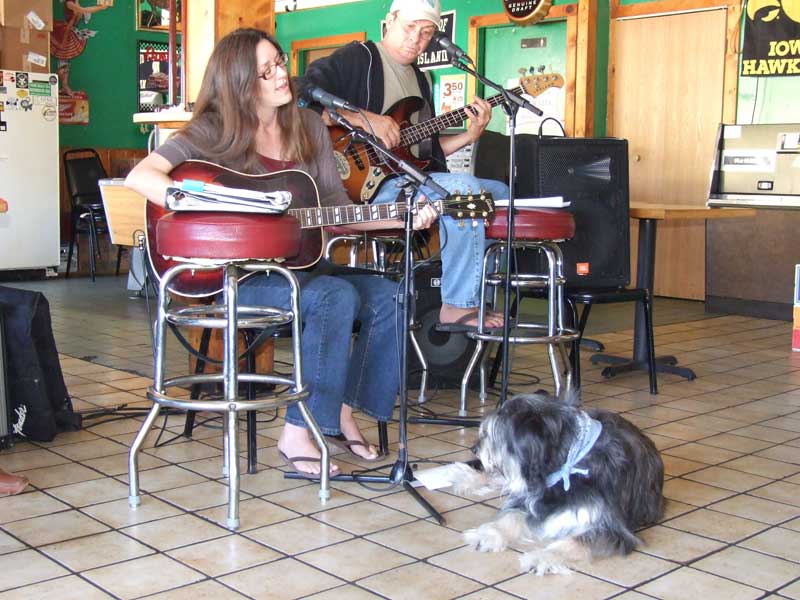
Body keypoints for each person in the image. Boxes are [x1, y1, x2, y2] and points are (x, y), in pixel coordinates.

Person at [125, 28, 437, 476]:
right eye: (264, 70)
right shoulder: (214, 131)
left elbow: (334, 210)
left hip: (303, 265)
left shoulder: (309, 125)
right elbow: (143, 175)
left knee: (390, 295)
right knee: (334, 296)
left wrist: (401, 216)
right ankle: (297, 432)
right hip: (239, 276)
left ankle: (340, 409)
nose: (280, 75)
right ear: (237, 83)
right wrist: (204, 203)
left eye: (279, 62)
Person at [297, 0, 511, 332]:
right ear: (390, 21)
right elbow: (302, 98)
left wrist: (471, 135)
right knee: (464, 190)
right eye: (409, 28)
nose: (417, 39)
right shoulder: (359, 58)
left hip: (405, 178)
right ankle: (457, 306)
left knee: (499, 193)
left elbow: (425, 153)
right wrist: (363, 119)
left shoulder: (421, 80)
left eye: (426, 33)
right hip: (361, 186)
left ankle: (481, 294)